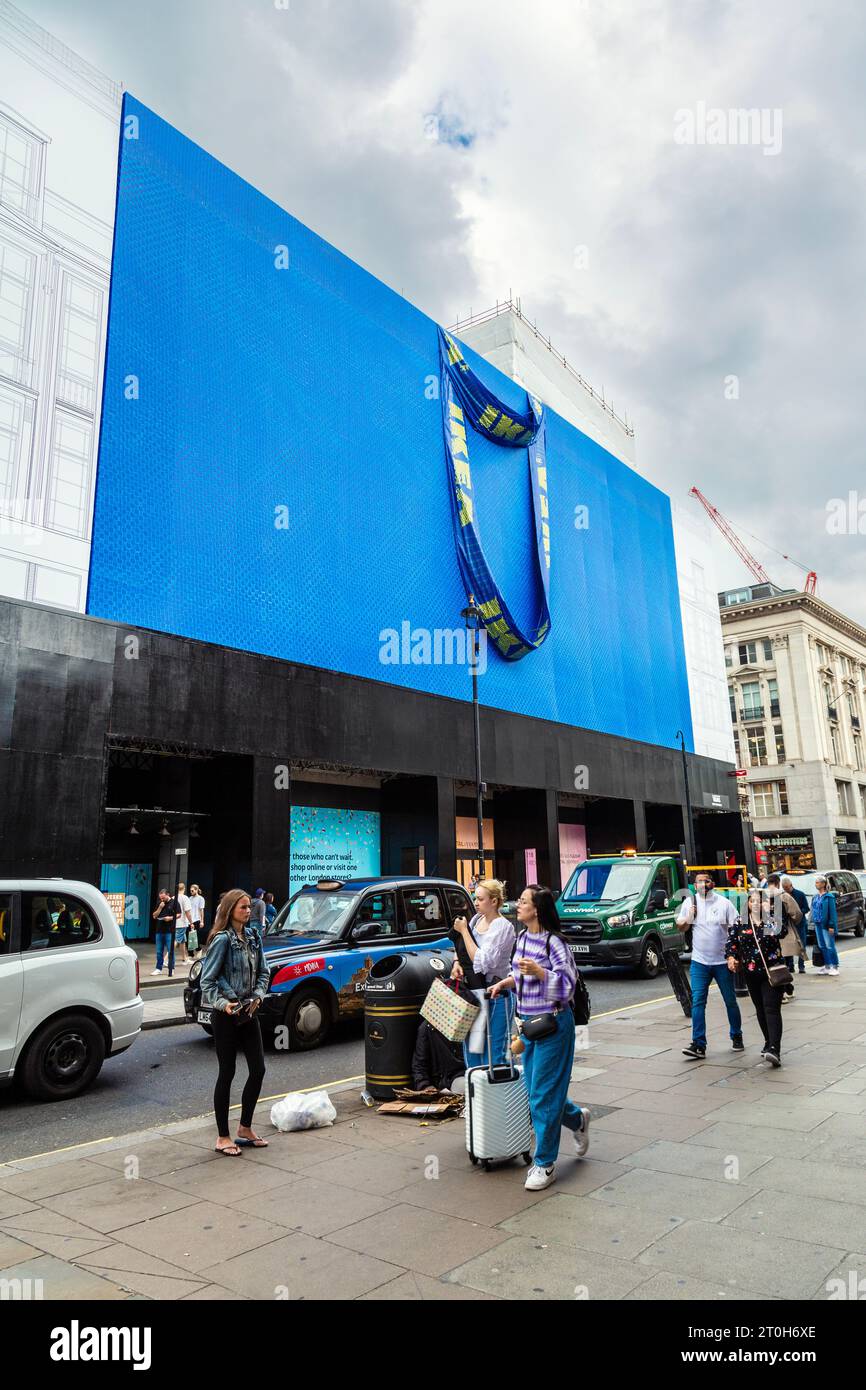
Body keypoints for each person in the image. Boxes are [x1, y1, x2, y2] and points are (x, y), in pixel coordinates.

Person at [489, 884, 590, 1192]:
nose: (517, 905)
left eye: (522, 902)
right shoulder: (521, 939)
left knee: (541, 1096)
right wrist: (507, 982)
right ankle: (577, 1120)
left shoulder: (555, 943)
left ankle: (544, 1164)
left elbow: (568, 985)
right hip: (529, 1027)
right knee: (535, 1091)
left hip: (555, 1026)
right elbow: (522, 977)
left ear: (537, 909)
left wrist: (540, 972)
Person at [199, 888, 270, 1156]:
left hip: (248, 1011)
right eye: (243, 907)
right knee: (226, 1073)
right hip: (226, 1015)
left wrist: (259, 996)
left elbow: (264, 970)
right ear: (230, 910)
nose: (248, 911)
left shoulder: (253, 937)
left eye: (249, 907)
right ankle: (222, 1137)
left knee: (258, 1069)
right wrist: (223, 1004)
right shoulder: (222, 940)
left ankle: (245, 1128)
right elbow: (208, 979)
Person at [450, 878, 515, 1070]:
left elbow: (484, 961)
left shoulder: (502, 927)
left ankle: (495, 1098)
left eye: (480, 899)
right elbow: (462, 946)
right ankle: (476, 1097)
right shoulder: (476, 920)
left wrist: (464, 932)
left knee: (494, 1055)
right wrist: (456, 962)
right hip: (474, 993)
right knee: (472, 1049)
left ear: (494, 901)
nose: (475, 903)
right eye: (474, 898)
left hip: (497, 996)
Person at [676, 872, 743, 1059]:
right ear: (694, 885)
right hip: (699, 962)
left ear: (712, 883)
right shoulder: (690, 903)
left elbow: (736, 929)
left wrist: (734, 955)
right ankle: (698, 1044)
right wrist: (689, 917)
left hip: (722, 962)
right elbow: (680, 926)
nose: (703, 884)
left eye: (706, 881)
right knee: (697, 1002)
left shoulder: (724, 903)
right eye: (699, 881)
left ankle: (736, 1035)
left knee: (730, 1000)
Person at [726, 889, 786, 1066]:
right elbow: (732, 943)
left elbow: (780, 933)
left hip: (772, 972)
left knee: (771, 1009)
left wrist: (767, 915)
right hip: (751, 973)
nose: (756, 903)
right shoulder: (741, 922)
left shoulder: (771, 921)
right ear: (748, 904)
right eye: (752, 901)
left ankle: (775, 1049)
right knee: (760, 1009)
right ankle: (768, 1042)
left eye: (759, 901)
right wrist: (731, 957)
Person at [811, 877, 840, 976]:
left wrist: (831, 925)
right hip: (817, 924)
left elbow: (832, 913)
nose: (816, 884)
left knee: (830, 946)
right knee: (822, 946)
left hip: (826, 925)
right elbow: (813, 910)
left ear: (823, 884)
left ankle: (835, 966)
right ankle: (827, 966)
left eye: (818, 882)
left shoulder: (829, 897)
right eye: (815, 882)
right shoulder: (815, 897)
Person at [782, 877, 809, 977]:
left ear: (791, 885)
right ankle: (790, 966)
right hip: (788, 924)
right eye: (784, 888)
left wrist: (798, 913)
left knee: (801, 945)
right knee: (789, 946)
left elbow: (806, 908)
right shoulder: (783, 896)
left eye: (787, 888)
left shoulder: (800, 894)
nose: (786, 890)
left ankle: (801, 967)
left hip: (800, 923)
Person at [151, 889, 178, 976]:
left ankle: (171, 968)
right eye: (161, 898)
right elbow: (154, 916)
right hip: (159, 930)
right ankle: (158, 968)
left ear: (168, 895)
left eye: (163, 897)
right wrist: (160, 907)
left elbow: (179, 914)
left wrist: (170, 918)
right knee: (159, 951)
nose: (162, 899)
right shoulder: (160, 903)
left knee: (170, 951)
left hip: (169, 931)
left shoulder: (174, 902)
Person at [175, 881, 193, 966]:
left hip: (174, 923)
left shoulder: (173, 897)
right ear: (184, 889)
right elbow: (187, 912)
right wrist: (191, 922)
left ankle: (184, 958)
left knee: (182, 941)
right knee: (176, 941)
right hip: (182, 923)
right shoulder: (185, 898)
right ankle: (165, 960)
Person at [188, 884, 206, 955]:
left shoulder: (201, 899)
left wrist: (202, 921)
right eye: (190, 890)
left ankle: (198, 949)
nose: (191, 892)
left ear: (196, 890)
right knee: (189, 937)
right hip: (190, 920)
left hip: (197, 920)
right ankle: (190, 954)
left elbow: (201, 910)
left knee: (196, 937)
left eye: (192, 890)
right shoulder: (190, 898)